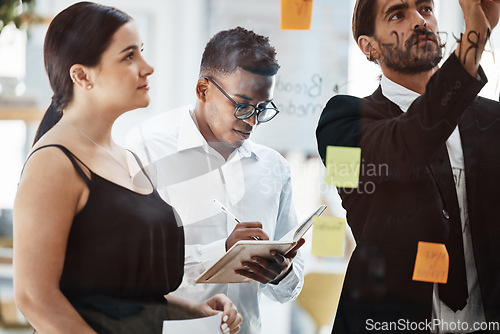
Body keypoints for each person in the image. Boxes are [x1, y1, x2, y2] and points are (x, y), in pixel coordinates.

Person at [13, 2, 241, 333]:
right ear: (81, 75)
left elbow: (127, 297)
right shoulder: (54, 162)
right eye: (129, 56)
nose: (147, 67)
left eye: (142, 53)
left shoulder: (127, 158)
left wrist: (196, 313)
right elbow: (35, 298)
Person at [316, 0, 500, 333]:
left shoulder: (493, 120)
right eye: (398, 14)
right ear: (368, 46)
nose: (419, 20)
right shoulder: (342, 122)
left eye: (426, 9)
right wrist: (473, 41)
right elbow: (408, 145)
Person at [126, 27, 304, 334]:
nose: (251, 121)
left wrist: (281, 274)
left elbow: (289, 288)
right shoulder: (145, 154)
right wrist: (222, 251)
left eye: (262, 109)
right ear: (203, 90)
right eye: (242, 104)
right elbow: (129, 268)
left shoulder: (275, 169)